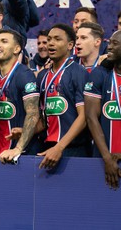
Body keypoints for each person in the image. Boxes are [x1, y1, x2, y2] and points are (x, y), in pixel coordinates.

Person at [36, 23, 91, 169]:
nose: (51, 43)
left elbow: (84, 116)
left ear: (70, 45)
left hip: (74, 150)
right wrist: (26, 132)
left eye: (57, 39)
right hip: (48, 148)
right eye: (49, 39)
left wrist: (59, 147)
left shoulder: (79, 73)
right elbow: (44, 117)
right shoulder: (42, 76)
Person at [0, 30, 40, 162]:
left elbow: (33, 114)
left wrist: (17, 149)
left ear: (17, 49)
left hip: (21, 155)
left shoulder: (24, 75)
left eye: (4, 41)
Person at [84, 30, 121, 189]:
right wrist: (107, 158)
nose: (109, 47)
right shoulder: (100, 74)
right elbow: (91, 117)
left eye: (115, 44)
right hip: (102, 158)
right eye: (109, 43)